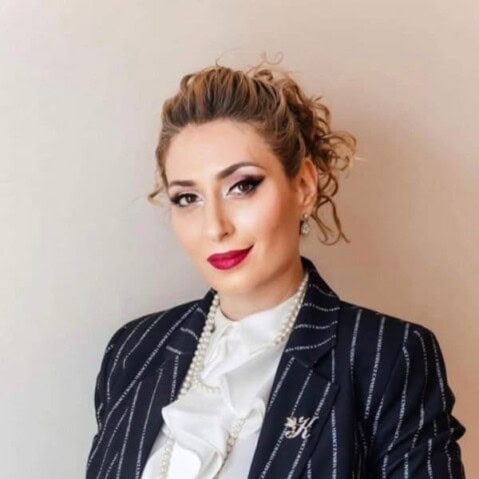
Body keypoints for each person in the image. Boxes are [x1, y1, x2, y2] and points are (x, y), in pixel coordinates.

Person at [86, 60, 466, 478]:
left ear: (303, 186)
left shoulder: (387, 356)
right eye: (187, 198)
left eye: (242, 186)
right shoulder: (134, 351)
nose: (215, 227)